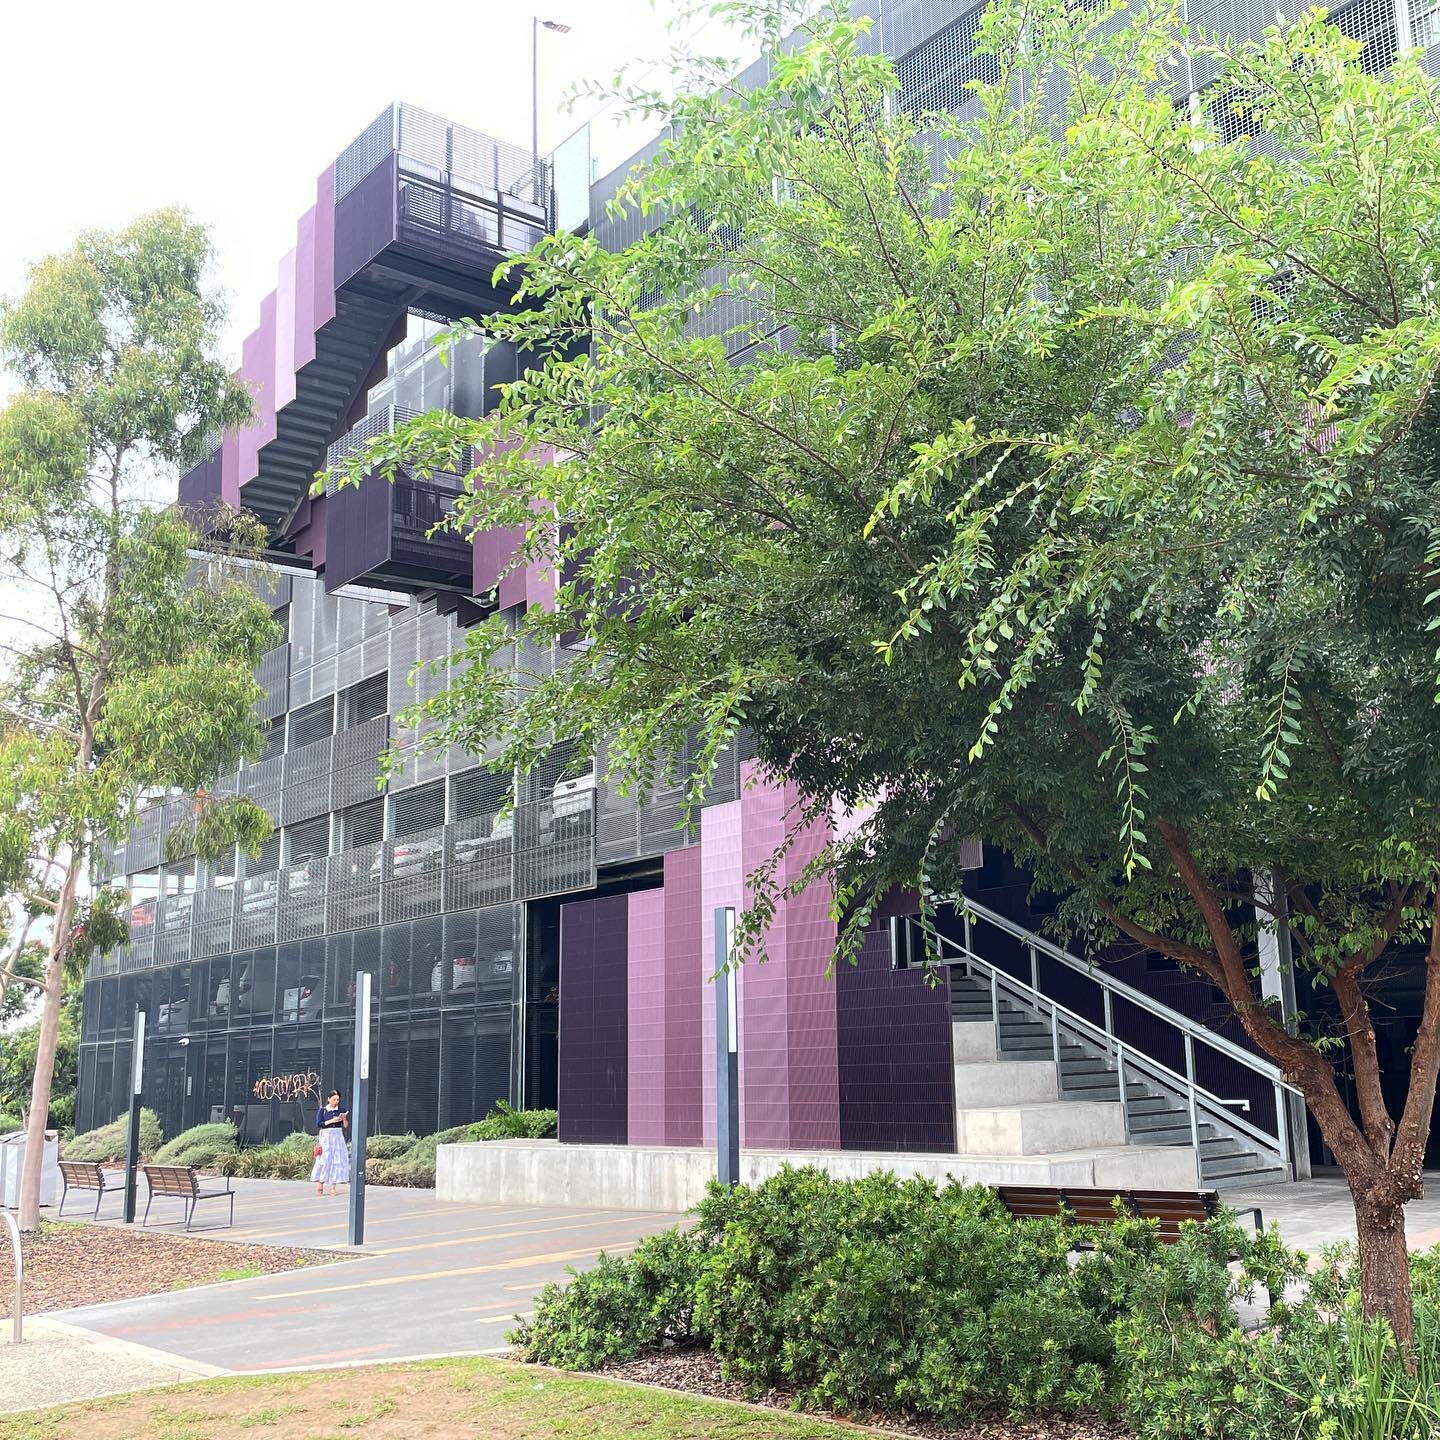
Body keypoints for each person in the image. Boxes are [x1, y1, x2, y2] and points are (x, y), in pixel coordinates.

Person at [311, 1088, 350, 1197]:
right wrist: (332, 1120)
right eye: (334, 1100)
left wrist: (344, 1119)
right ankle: (320, 1182)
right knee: (325, 1158)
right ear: (329, 1099)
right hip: (326, 1136)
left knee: (336, 1159)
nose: (335, 1102)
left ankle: (333, 1186)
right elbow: (319, 1124)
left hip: (337, 1136)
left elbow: (345, 1126)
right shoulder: (323, 1110)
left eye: (337, 1100)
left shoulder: (341, 1110)